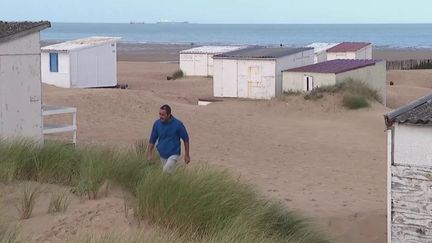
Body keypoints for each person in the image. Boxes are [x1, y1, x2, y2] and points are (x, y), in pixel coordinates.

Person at [147, 105, 190, 173]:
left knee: (165, 172)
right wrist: (149, 154)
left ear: (169, 114)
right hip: (161, 154)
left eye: (163, 115)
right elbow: (152, 140)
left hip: (174, 154)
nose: (161, 116)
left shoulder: (178, 124)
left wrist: (187, 155)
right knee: (169, 175)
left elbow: (186, 139)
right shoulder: (157, 124)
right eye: (160, 114)